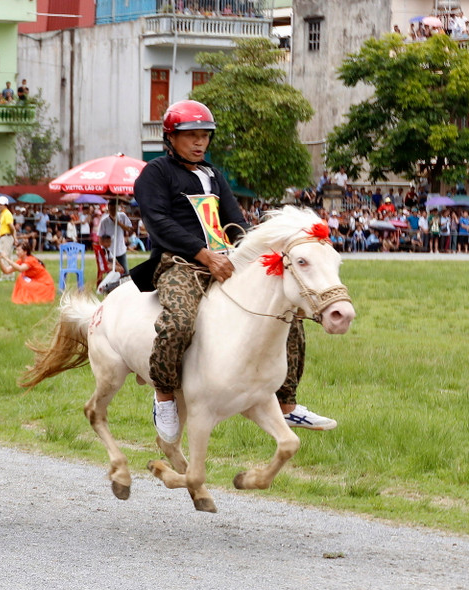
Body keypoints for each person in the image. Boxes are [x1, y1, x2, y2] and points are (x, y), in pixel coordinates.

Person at [132, 100, 334, 443]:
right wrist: (203, 254)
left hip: (226, 259)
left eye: (204, 136)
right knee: (179, 320)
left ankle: (287, 405)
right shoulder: (156, 173)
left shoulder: (214, 175)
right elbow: (158, 222)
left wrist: (250, 254)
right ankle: (164, 395)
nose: (199, 143)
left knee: (288, 314)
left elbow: (236, 223)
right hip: (178, 261)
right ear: (171, 138)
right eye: (190, 136)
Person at [97, 199, 133, 274]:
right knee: (111, 274)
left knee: (125, 272)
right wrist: (103, 249)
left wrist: (119, 223)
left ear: (117, 208)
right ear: (108, 209)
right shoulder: (104, 221)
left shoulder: (122, 216)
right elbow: (100, 236)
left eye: (114, 209)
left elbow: (130, 229)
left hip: (121, 250)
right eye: (110, 209)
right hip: (110, 252)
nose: (112, 211)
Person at [0, 196, 15, 282]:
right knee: (8, 256)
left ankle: (5, 275)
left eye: (0, 204)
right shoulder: (3, 214)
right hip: (4, 236)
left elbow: (11, 227)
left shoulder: (7, 214)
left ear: (5, 205)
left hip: (6, 236)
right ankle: (10, 275)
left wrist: (14, 237)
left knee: (4, 256)